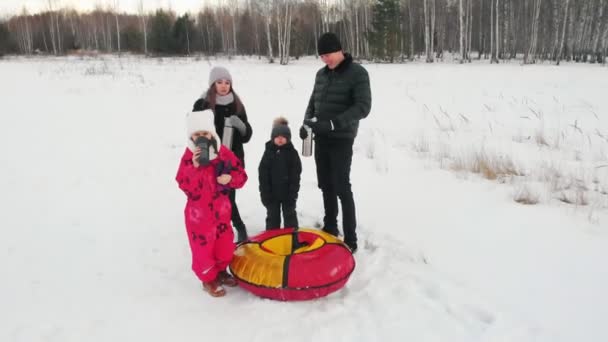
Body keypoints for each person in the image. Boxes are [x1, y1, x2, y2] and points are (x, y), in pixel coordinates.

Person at [299, 32, 372, 253]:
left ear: (340, 50)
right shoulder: (321, 75)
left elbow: (363, 107)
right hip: (321, 137)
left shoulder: (357, 73)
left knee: (341, 186)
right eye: (322, 56)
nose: (325, 59)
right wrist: (306, 124)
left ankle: (351, 239)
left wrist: (333, 124)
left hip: (342, 138)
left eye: (328, 54)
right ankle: (331, 225)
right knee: (325, 184)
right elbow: (313, 102)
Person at [175, 110, 248, 297]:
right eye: (197, 135)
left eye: (205, 134)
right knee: (203, 250)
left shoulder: (223, 153)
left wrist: (230, 178)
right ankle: (208, 279)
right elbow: (184, 185)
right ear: (191, 136)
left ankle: (221, 271)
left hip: (221, 212)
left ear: (211, 133)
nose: (202, 138)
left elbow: (241, 176)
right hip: (199, 216)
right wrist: (195, 167)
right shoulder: (189, 157)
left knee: (224, 245)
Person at [192, 66, 252, 243]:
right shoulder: (202, 104)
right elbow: (195, 131)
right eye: (219, 82)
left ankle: (239, 227)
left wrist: (240, 125)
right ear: (213, 84)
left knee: (228, 197)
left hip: (232, 160)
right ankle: (216, 231)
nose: (224, 86)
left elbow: (247, 136)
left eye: (227, 82)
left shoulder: (236, 104)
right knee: (212, 198)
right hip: (210, 160)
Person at [258, 117, 302, 230]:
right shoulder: (268, 153)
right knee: (272, 218)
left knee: (290, 217)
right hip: (272, 195)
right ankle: (271, 241)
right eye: (277, 137)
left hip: (288, 195)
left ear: (288, 138)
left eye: (283, 137)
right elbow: (263, 174)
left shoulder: (292, 153)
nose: (280, 139)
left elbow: (296, 174)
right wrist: (265, 193)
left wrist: (293, 193)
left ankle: (292, 240)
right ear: (273, 138)